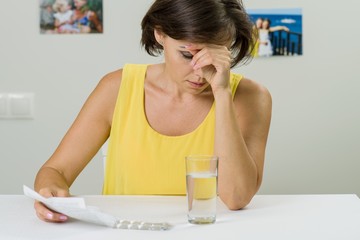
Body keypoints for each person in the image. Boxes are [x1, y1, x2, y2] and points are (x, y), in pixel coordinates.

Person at [34, 0, 272, 223]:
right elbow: (56, 170)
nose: (201, 73)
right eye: (188, 54)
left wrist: (221, 92)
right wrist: (50, 194)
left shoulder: (250, 97)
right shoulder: (116, 88)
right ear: (160, 34)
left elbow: (236, 197)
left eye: (215, 56)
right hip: (127, 231)